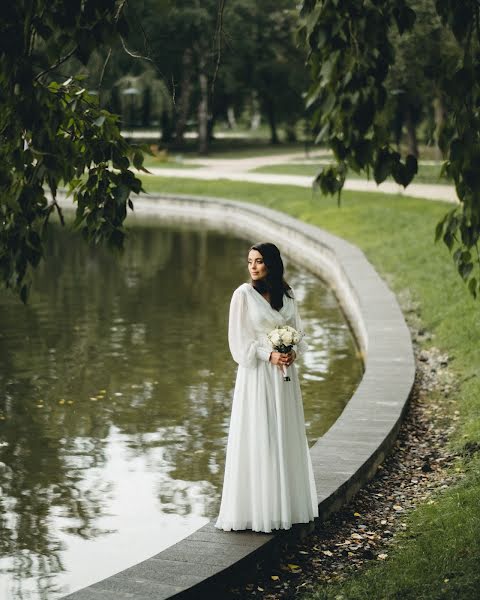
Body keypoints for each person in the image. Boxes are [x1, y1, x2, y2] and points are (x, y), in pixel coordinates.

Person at [214, 242, 318, 533]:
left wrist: (293, 352)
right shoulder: (243, 295)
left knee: (284, 433)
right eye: (250, 261)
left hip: (284, 377)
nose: (253, 266)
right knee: (262, 433)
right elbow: (238, 342)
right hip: (258, 376)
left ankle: (287, 505)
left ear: (271, 263)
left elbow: (299, 330)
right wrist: (268, 354)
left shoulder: (288, 294)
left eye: (259, 261)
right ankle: (259, 509)